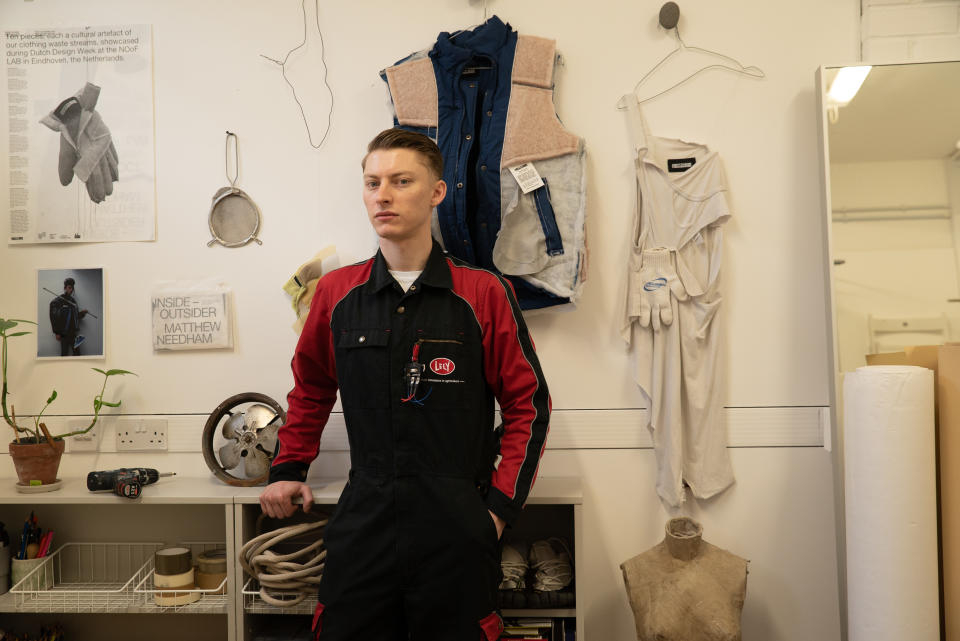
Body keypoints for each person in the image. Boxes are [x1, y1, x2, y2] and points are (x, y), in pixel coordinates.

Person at [260, 128, 551, 641]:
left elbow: (529, 404)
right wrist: (287, 468)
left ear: (437, 192)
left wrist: (498, 513)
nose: (383, 195)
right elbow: (310, 389)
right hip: (364, 521)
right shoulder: (335, 294)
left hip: (457, 528)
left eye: (401, 181)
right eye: (372, 183)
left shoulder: (483, 294)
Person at [49, 277, 88, 356]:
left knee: (77, 353)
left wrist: (82, 313)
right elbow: (53, 316)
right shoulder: (58, 300)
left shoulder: (73, 301)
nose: (71, 290)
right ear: (65, 288)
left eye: (72, 288)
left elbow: (75, 317)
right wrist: (57, 332)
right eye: (69, 288)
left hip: (73, 333)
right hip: (64, 334)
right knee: (64, 354)